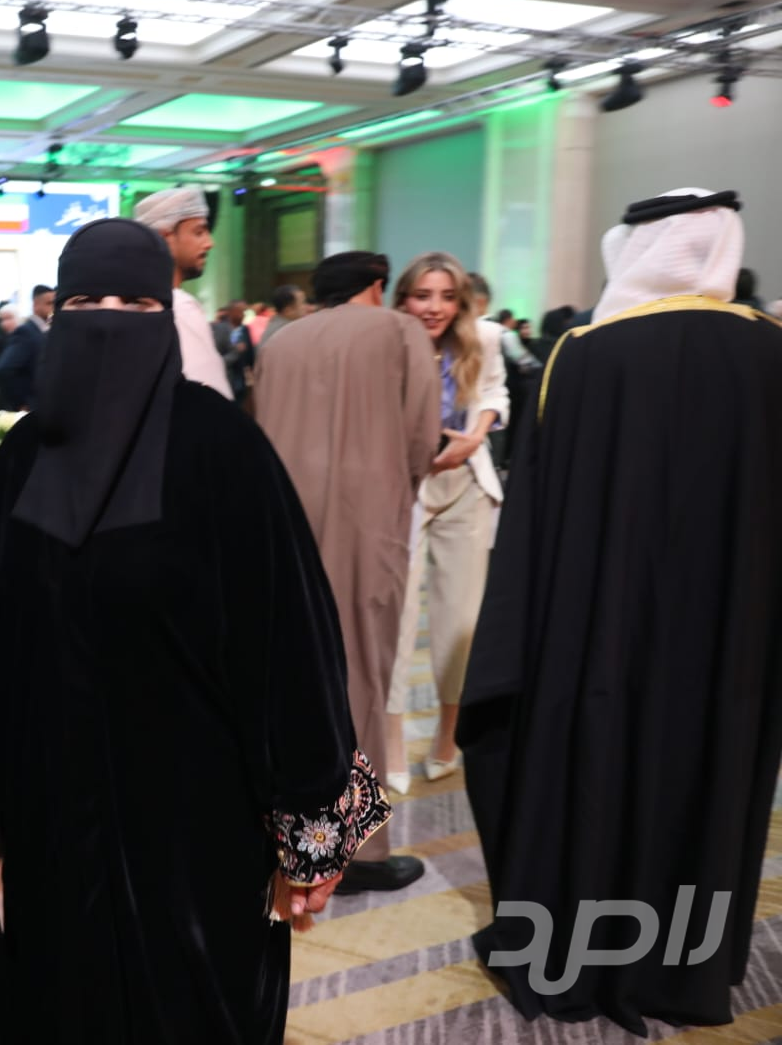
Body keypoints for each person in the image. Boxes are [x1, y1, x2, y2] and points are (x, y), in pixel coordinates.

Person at [0, 220, 387, 1045]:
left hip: (199, 822)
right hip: (52, 820)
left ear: (166, 316)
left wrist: (312, 827)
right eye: (87, 302)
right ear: (56, 313)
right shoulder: (21, 457)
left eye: (135, 303)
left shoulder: (223, 448)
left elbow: (290, 646)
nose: (109, 321)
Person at [459, 188, 782, 1034]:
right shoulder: (771, 351)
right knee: (709, 779)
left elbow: (536, 522)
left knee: (593, 776)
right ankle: (686, 971)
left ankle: (577, 957)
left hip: (596, 633)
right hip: (732, 636)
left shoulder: (586, 356)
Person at [255, 251, 439, 893]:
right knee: (360, 675)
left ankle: (288, 835)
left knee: (289, 673)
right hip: (367, 527)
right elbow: (422, 438)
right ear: (377, 287)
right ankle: (352, 853)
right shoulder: (401, 332)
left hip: (284, 529)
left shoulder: (280, 342)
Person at [383, 252, 507, 795]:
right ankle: (390, 738)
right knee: (396, 617)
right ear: (403, 298)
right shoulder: (387, 343)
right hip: (403, 487)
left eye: (447, 296)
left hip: (466, 486)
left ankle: (446, 736)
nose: (434, 307)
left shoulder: (485, 338)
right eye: (422, 295)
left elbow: (496, 392)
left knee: (461, 618)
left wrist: (475, 437)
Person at [132, 186, 232, 398]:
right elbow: (211, 398)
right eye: (199, 232)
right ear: (165, 238)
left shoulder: (135, 304)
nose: (209, 243)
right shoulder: (179, 307)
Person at [0, 294, 47, 411]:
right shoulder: (22, 334)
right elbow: (3, 369)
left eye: (9, 318)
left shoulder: (25, 333)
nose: (5, 323)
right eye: (2, 319)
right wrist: (22, 402)